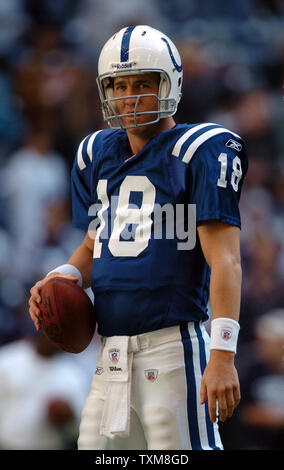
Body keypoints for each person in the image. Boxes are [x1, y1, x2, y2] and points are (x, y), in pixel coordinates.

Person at [28, 25, 248, 450]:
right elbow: (98, 243)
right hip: (110, 352)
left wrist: (223, 353)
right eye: (120, 85)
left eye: (144, 84)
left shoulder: (200, 149)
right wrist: (62, 275)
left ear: (171, 83)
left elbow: (227, 260)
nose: (130, 96)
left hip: (173, 347)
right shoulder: (96, 153)